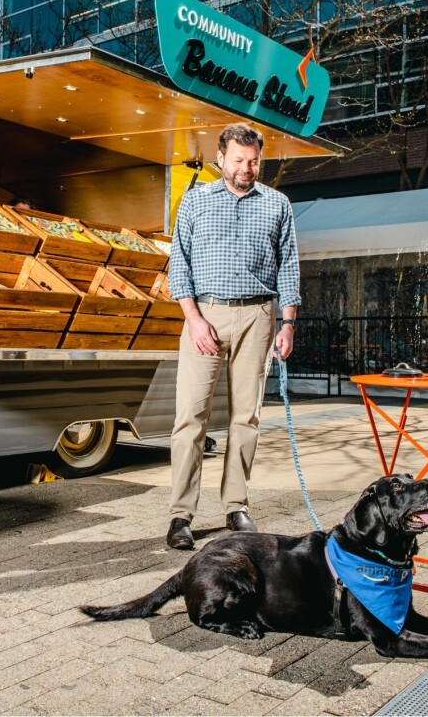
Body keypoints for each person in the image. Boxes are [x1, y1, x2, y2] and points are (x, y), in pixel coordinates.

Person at [164, 122, 299, 550]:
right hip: (204, 314)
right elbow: (178, 264)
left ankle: (236, 506)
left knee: (247, 417)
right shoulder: (196, 201)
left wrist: (288, 322)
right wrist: (193, 319)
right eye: (239, 160)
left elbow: (289, 265)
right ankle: (180, 516)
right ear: (220, 158)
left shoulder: (278, 204)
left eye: (254, 160)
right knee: (190, 417)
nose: (247, 167)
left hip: (258, 315)